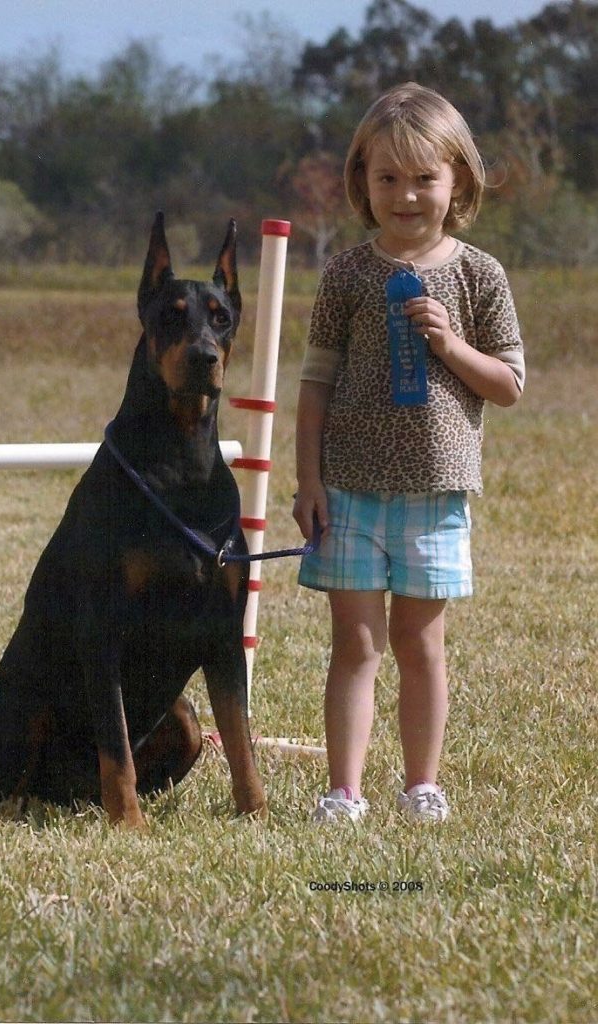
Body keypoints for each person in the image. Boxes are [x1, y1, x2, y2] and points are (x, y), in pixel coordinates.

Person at [293, 82, 525, 824]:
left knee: (419, 645)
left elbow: (510, 383)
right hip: (350, 491)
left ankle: (423, 785)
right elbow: (315, 386)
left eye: (425, 177)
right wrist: (308, 482)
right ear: (362, 180)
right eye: (386, 177)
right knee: (356, 645)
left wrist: (450, 343)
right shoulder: (348, 275)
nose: (406, 194)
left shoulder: (479, 275)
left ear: (457, 179)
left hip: (437, 492)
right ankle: (344, 792)